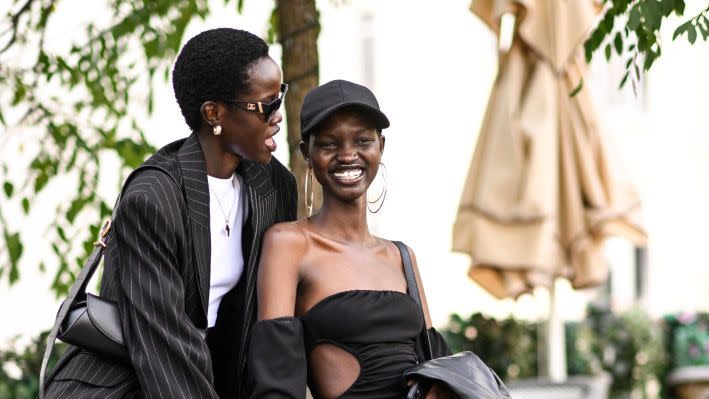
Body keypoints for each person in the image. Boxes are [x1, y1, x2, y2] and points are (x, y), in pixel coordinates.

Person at [43, 28, 297, 399]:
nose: (278, 116)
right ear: (214, 113)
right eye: (266, 105)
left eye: (281, 96)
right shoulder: (153, 200)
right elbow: (164, 347)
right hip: (127, 384)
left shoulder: (273, 185)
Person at [247, 80, 454, 399]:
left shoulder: (402, 256)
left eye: (362, 140)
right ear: (307, 153)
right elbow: (275, 378)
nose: (347, 155)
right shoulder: (289, 244)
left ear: (380, 147)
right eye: (329, 144)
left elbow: (439, 368)